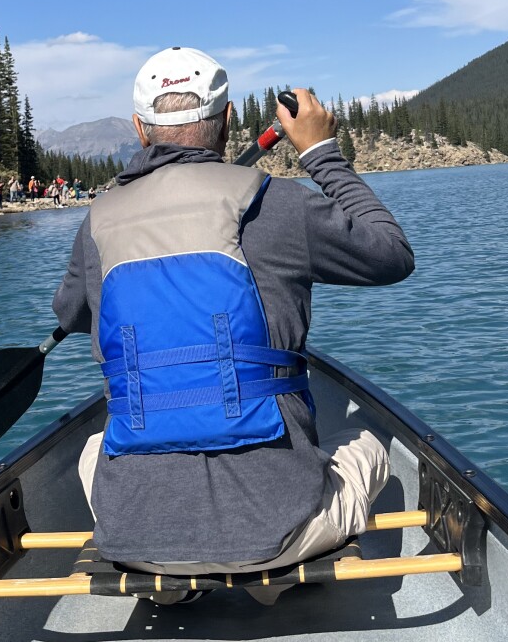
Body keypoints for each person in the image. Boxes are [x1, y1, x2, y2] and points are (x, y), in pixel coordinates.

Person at [52, 46, 414, 603]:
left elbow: (72, 316)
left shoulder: (98, 220)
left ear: (139, 128)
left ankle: (172, 584)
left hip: (132, 537)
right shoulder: (279, 204)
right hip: (279, 531)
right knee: (373, 437)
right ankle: (269, 580)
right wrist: (320, 152)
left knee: (93, 445)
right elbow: (391, 254)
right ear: (226, 121)